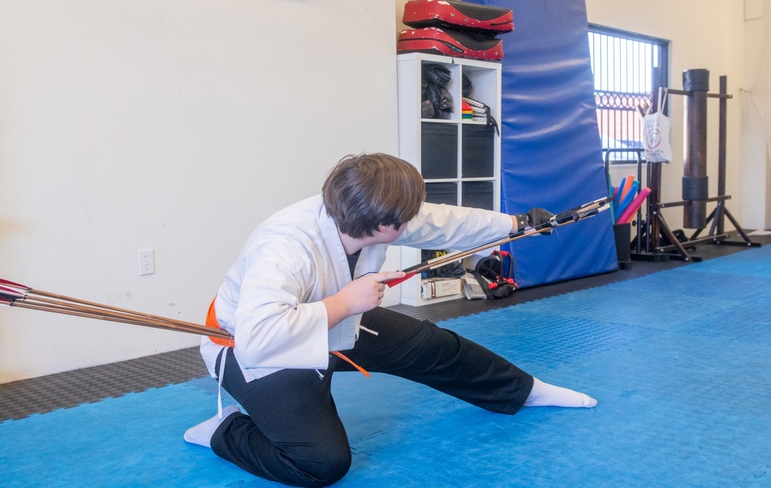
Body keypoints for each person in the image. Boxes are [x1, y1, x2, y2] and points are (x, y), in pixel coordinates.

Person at [184, 153, 597, 487]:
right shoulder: (285, 246)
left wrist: (518, 224)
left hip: (333, 320)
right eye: (406, 218)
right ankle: (225, 431)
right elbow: (259, 337)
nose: (415, 220)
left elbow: (443, 222)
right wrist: (346, 302)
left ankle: (523, 391)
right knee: (321, 463)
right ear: (384, 225)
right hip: (249, 352)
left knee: (434, 347)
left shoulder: (361, 212)